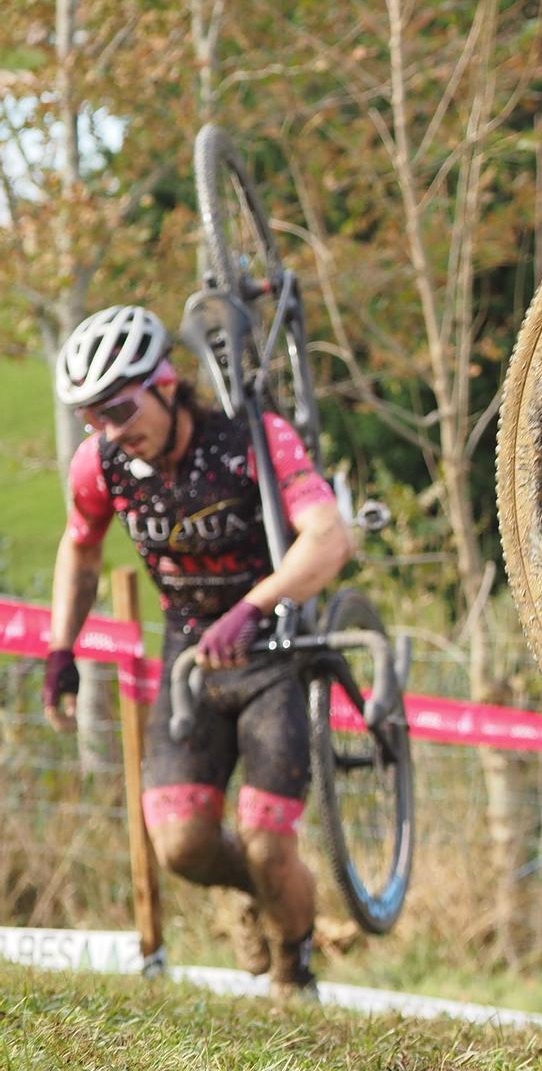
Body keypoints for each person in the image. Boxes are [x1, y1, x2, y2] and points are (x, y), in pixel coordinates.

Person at [43, 306, 353, 998]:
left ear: (167, 382)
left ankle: (292, 970)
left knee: (271, 840)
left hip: (272, 644)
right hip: (192, 651)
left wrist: (253, 606)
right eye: (95, 420)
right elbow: (82, 546)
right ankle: (266, 893)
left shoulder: (251, 441)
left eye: (122, 410)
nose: (113, 433)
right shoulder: (104, 465)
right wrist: (61, 649)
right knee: (181, 846)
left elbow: (330, 538)